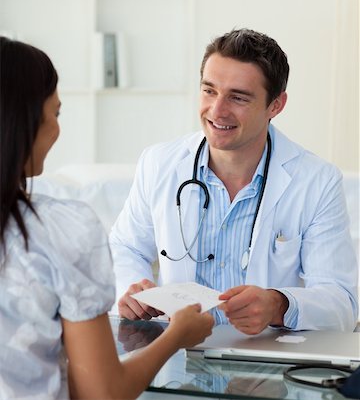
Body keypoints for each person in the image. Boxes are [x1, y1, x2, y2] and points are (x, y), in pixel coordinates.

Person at [0, 36, 214, 400]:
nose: (57, 128)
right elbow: (103, 393)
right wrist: (178, 335)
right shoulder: (60, 229)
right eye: (56, 112)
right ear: (23, 120)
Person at [110, 28, 358, 334]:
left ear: (276, 105)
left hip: (263, 368)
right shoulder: (158, 163)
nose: (217, 110)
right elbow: (126, 247)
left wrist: (278, 305)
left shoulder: (317, 182)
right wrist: (132, 290)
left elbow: (341, 303)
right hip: (174, 353)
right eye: (209, 90)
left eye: (238, 97)